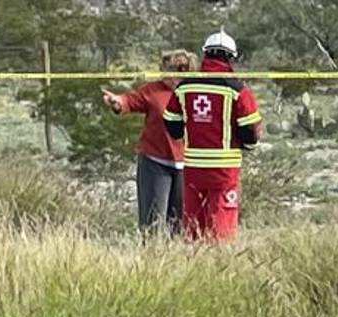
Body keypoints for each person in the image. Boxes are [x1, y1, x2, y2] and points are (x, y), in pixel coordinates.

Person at [163, 29, 262, 241]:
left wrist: (188, 134)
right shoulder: (237, 89)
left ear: (205, 55)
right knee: (221, 229)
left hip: (193, 168)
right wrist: (246, 146)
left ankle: (194, 268)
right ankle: (218, 268)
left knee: (192, 226)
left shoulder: (184, 86)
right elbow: (251, 130)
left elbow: (171, 122)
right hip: (224, 171)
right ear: (231, 58)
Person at [101, 50, 194, 236]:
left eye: (180, 68)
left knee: (181, 226)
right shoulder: (153, 90)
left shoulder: (195, 93)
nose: (172, 73)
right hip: (155, 163)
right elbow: (130, 100)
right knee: (153, 224)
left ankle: (178, 261)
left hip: (188, 164)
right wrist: (117, 102)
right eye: (168, 68)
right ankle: (152, 260)